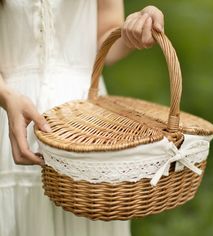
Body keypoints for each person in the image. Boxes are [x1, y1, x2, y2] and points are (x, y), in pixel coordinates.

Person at [0, 1, 164, 235]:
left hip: (87, 123)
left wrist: (134, 29)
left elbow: (105, 35)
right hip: (9, 116)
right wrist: (5, 96)